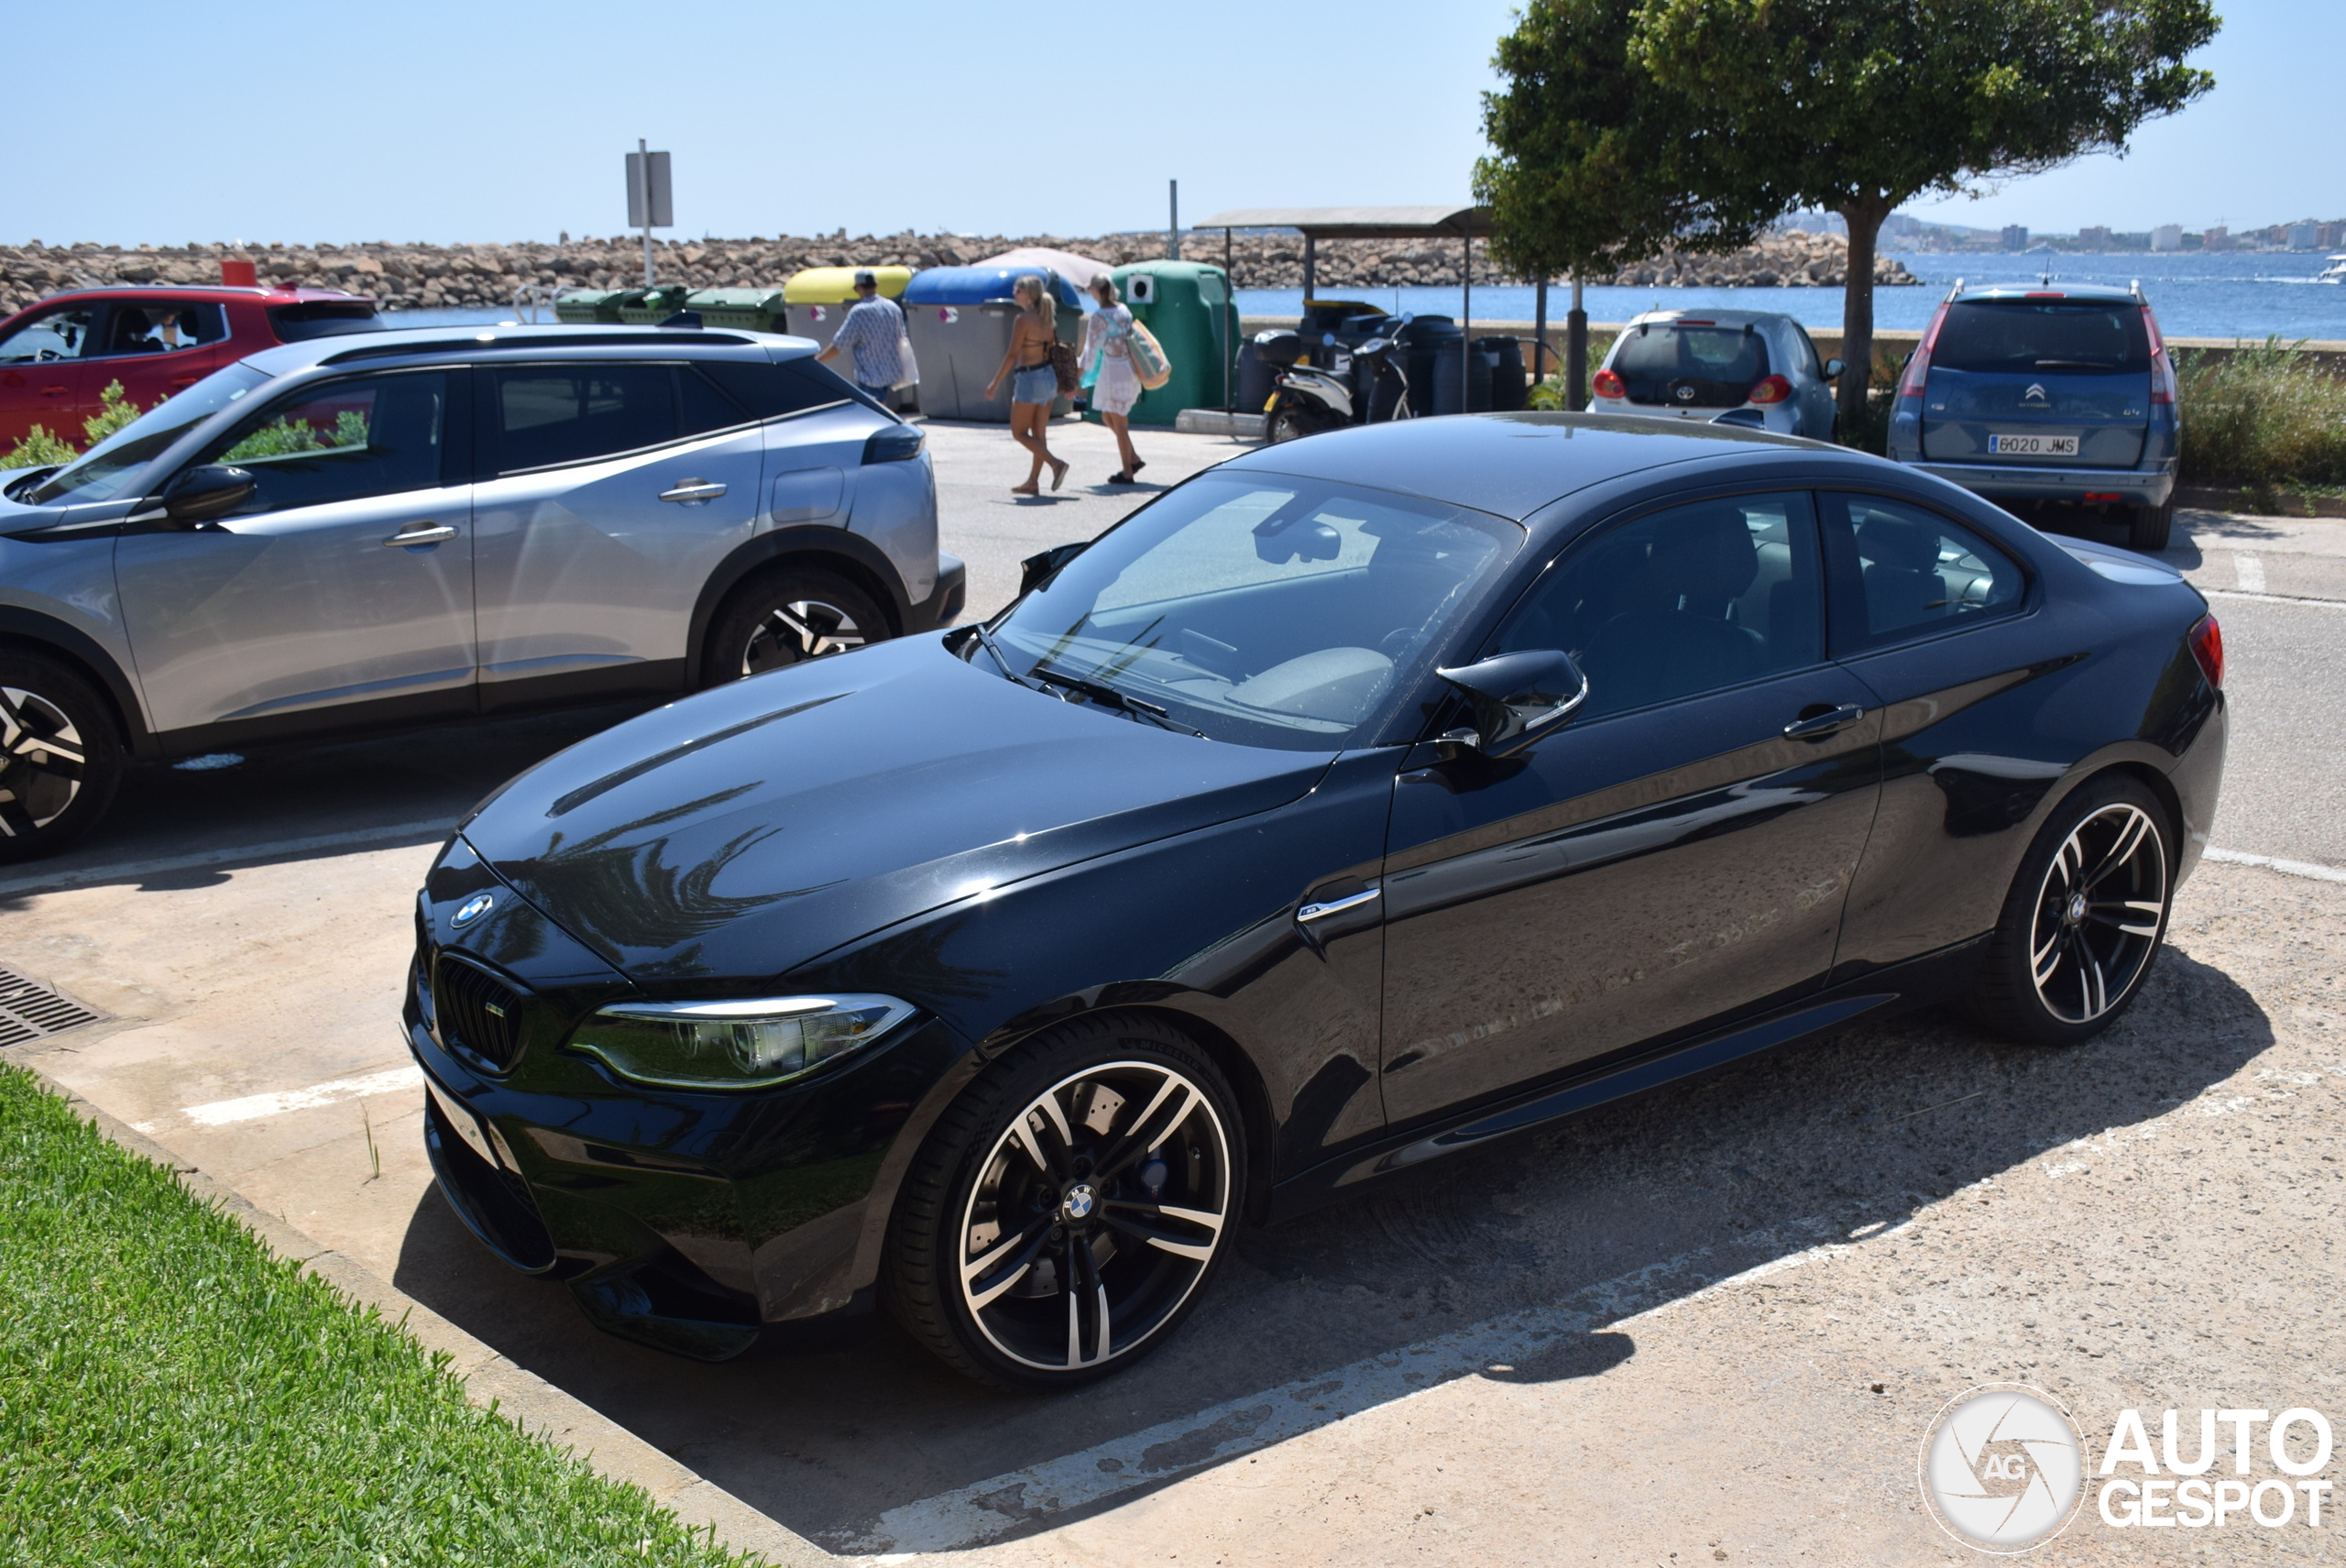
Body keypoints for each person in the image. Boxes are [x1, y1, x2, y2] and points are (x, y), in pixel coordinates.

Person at [982, 274, 1069, 494]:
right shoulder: (1047, 317)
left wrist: (994, 383)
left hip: (1030, 379)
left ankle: (1056, 464)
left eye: (1017, 290)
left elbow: (1012, 355)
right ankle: (1033, 481)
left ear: (1028, 294)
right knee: (1039, 435)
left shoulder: (1023, 320)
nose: (1014, 294)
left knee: (1019, 432)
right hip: (1048, 378)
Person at [1080, 276, 1147, 484]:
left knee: (1118, 423)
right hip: (1127, 368)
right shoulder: (1123, 310)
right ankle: (1133, 458)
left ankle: (1127, 471)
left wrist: (1076, 376)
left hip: (1114, 372)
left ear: (1095, 291)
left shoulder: (1099, 317)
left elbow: (1090, 351)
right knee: (1109, 417)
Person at [817, 269, 905, 403]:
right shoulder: (892, 308)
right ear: (876, 285)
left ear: (858, 288)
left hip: (870, 379)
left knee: (872, 419)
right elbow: (902, 338)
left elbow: (840, 344)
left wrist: (819, 360)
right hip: (892, 377)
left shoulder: (860, 312)